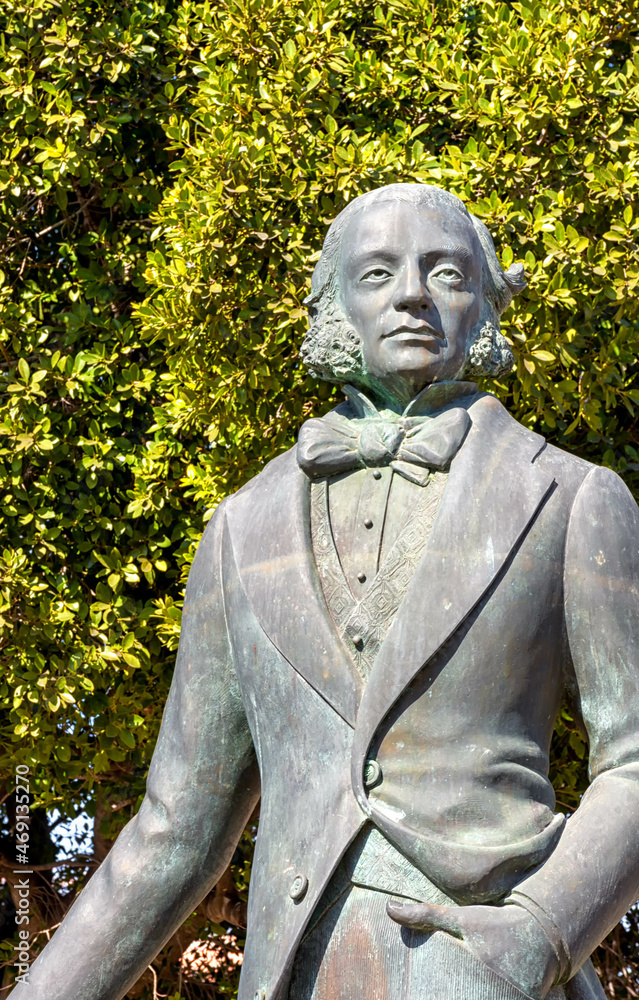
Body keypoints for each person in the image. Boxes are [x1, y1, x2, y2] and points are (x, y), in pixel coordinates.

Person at [15, 184, 639, 1000]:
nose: (413, 293)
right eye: (378, 272)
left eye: (446, 272)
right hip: (299, 972)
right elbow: (174, 833)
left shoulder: (572, 498)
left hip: (488, 966)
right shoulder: (243, 528)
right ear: (333, 304)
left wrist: (538, 930)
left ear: (484, 306)